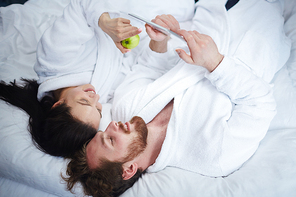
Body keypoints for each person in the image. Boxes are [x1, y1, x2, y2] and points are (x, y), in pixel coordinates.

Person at [62, 0, 291, 196]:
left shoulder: (125, 110)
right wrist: (214, 63)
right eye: (110, 140)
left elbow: (148, 66)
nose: (111, 125)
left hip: (209, 12)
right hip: (258, 22)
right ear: (129, 169)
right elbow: (261, 103)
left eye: (103, 133)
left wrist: (159, 40)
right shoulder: (214, 155)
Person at [0, 0, 195, 158]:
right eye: (99, 109)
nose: (95, 97)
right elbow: (143, 70)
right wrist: (158, 41)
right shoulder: (100, 96)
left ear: (57, 104)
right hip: (151, 24)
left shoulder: (53, 57)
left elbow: (81, 6)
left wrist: (105, 23)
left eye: (84, 101)